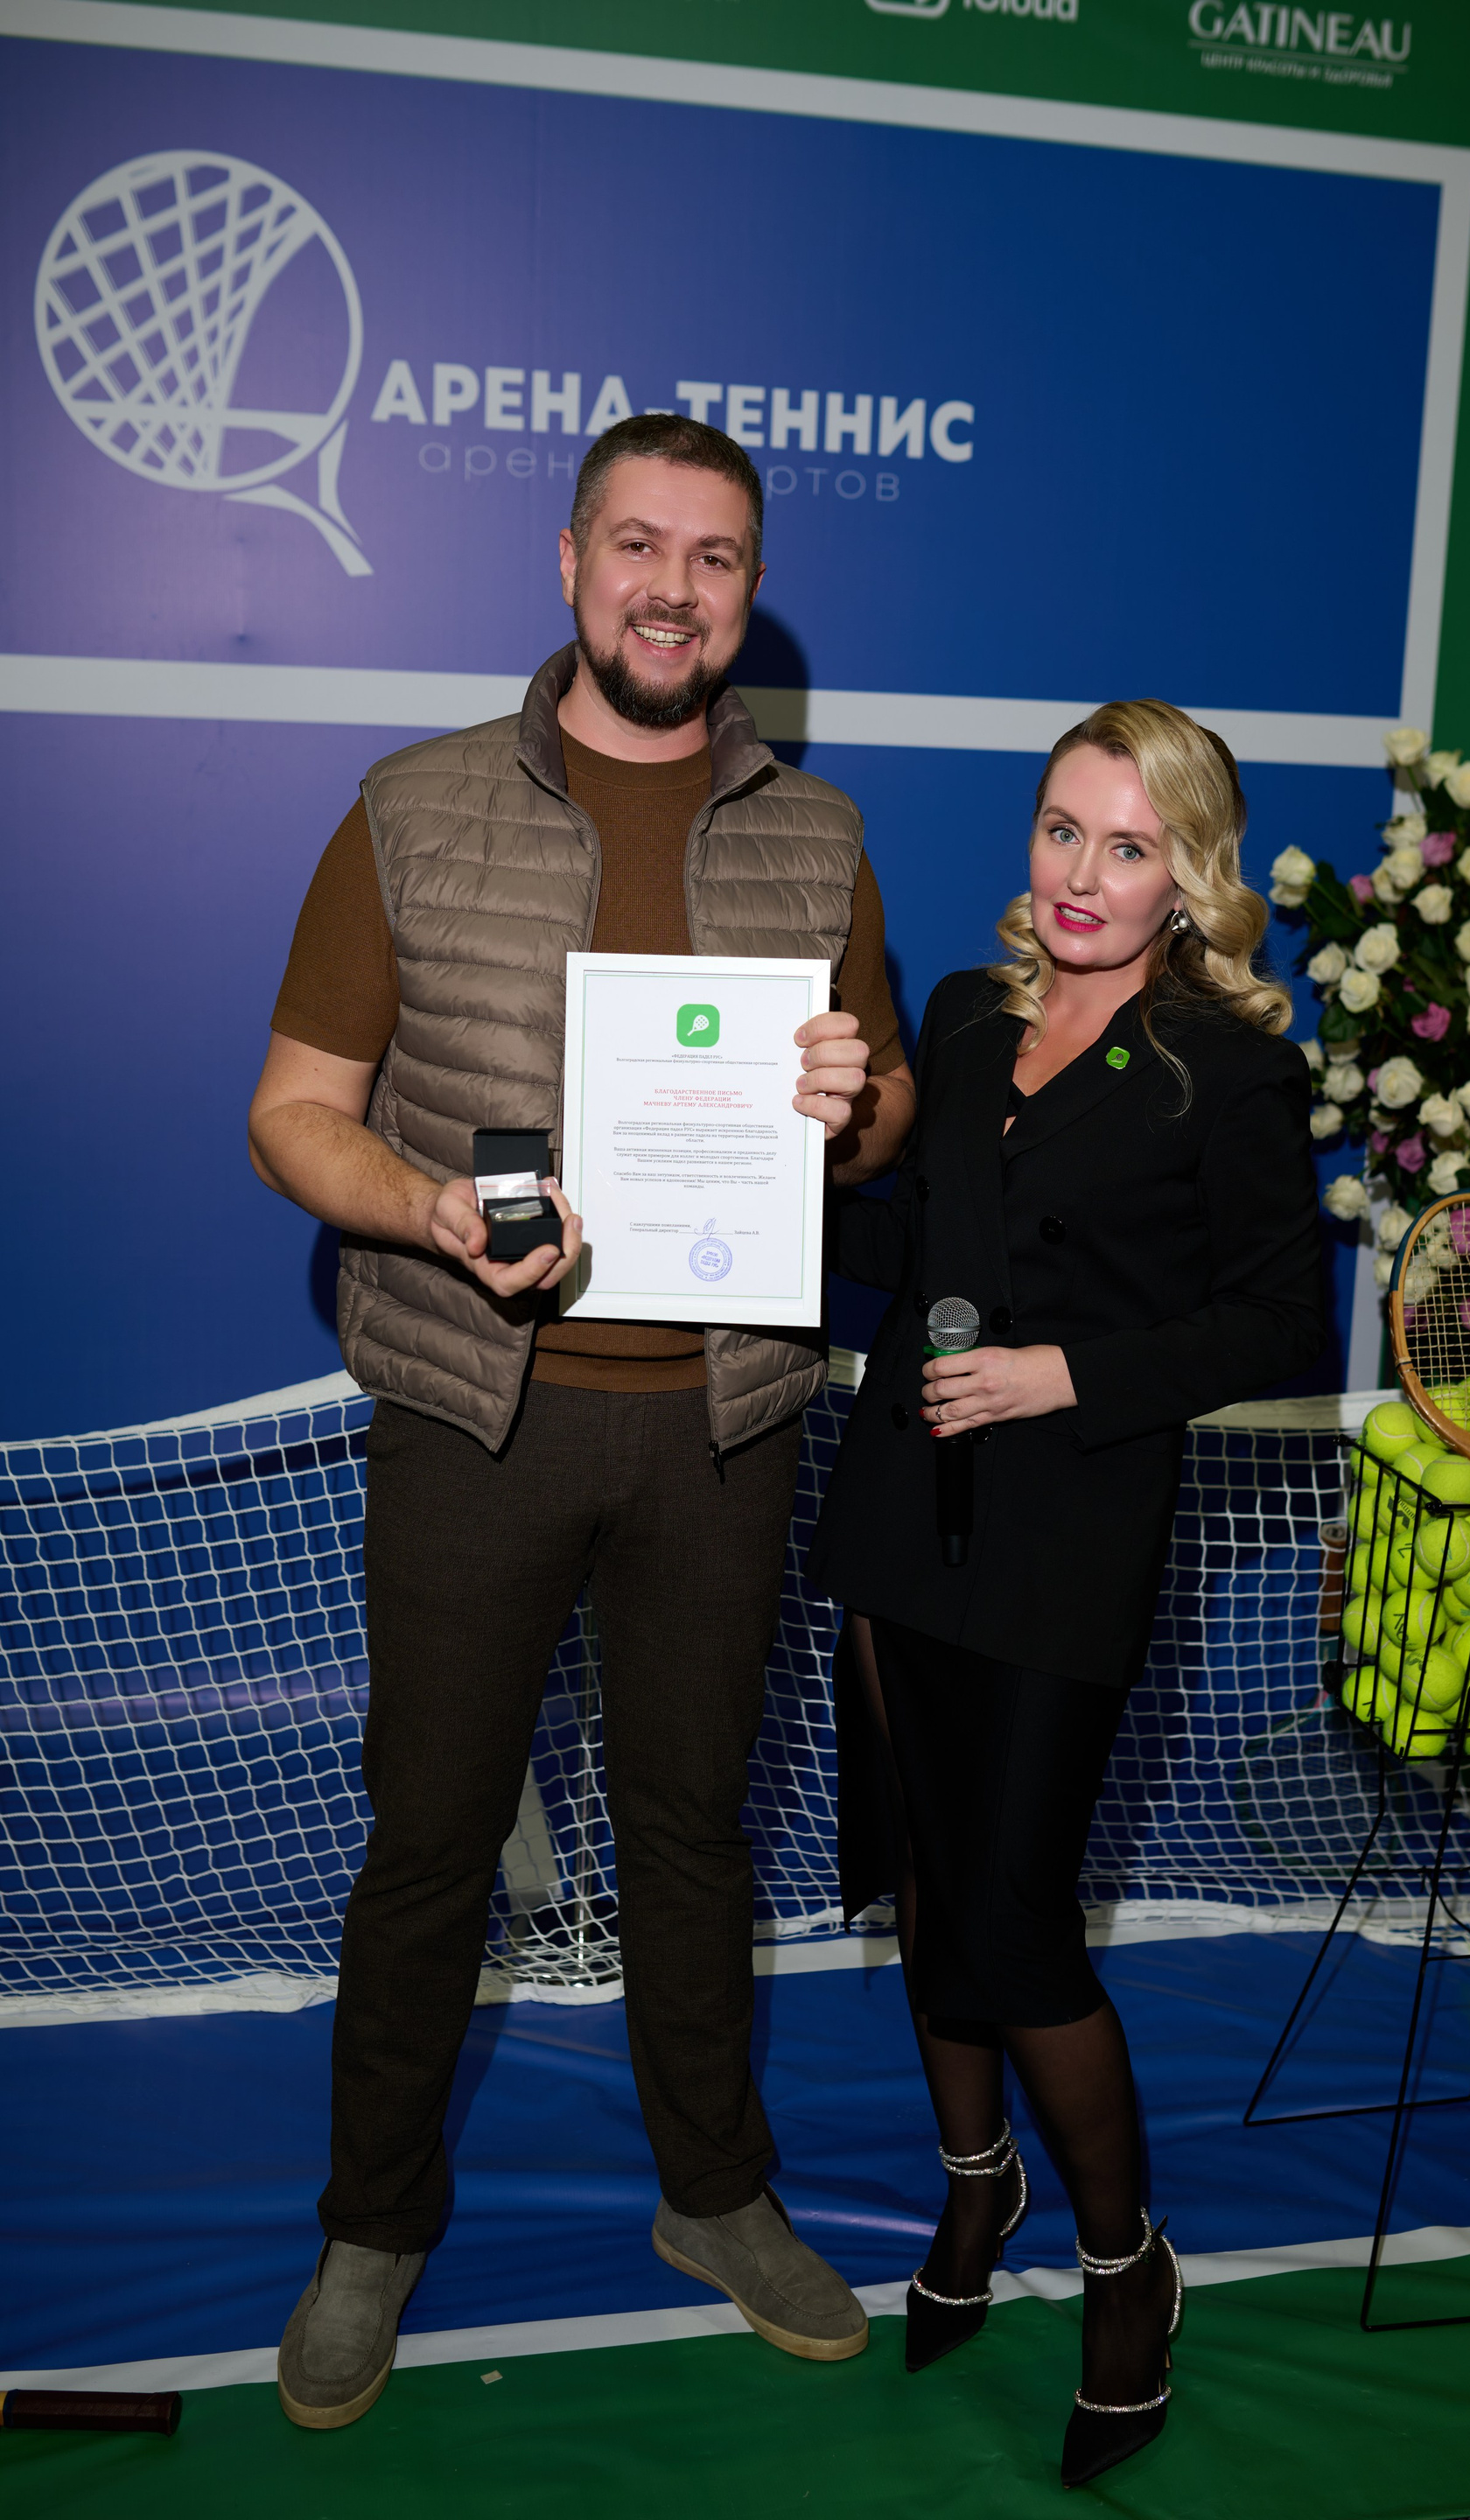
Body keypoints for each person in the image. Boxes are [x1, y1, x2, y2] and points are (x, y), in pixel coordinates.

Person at [248, 414, 914, 2428]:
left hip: (724, 1426)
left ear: (750, 590)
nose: (671, 590)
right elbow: (294, 1113)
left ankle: (715, 2194)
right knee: (432, 1839)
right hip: (480, 1414)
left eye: (714, 558)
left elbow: (882, 1107)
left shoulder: (818, 831)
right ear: (568, 562)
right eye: (638, 546)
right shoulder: (414, 805)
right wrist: (429, 1209)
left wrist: (855, 1102)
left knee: (694, 1833)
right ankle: (373, 2225)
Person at [807, 701, 1323, 2489]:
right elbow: (904, 1245)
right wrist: (753, 1162)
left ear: (1190, 875)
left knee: (1018, 1926)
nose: (1084, 875)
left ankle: (1126, 2263)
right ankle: (976, 2188)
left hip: (1067, 1536)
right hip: (904, 1510)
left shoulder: (1227, 1072)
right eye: (1060, 830)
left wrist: (1066, 1376)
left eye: (1129, 844)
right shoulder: (965, 1015)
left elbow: (1281, 1323)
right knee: (928, 1881)